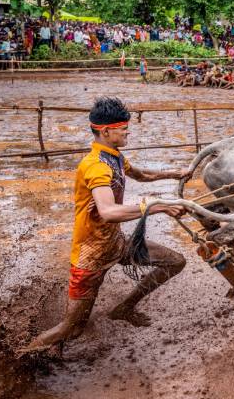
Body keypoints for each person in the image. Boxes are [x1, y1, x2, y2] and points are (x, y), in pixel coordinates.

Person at [23, 97, 188, 354]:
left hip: (116, 244)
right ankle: (18, 360)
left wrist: (175, 173)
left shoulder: (115, 158)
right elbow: (109, 212)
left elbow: (143, 175)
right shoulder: (96, 166)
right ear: (106, 131)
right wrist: (157, 206)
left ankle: (124, 307)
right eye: (124, 129)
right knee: (71, 329)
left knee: (175, 261)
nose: (127, 132)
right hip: (91, 258)